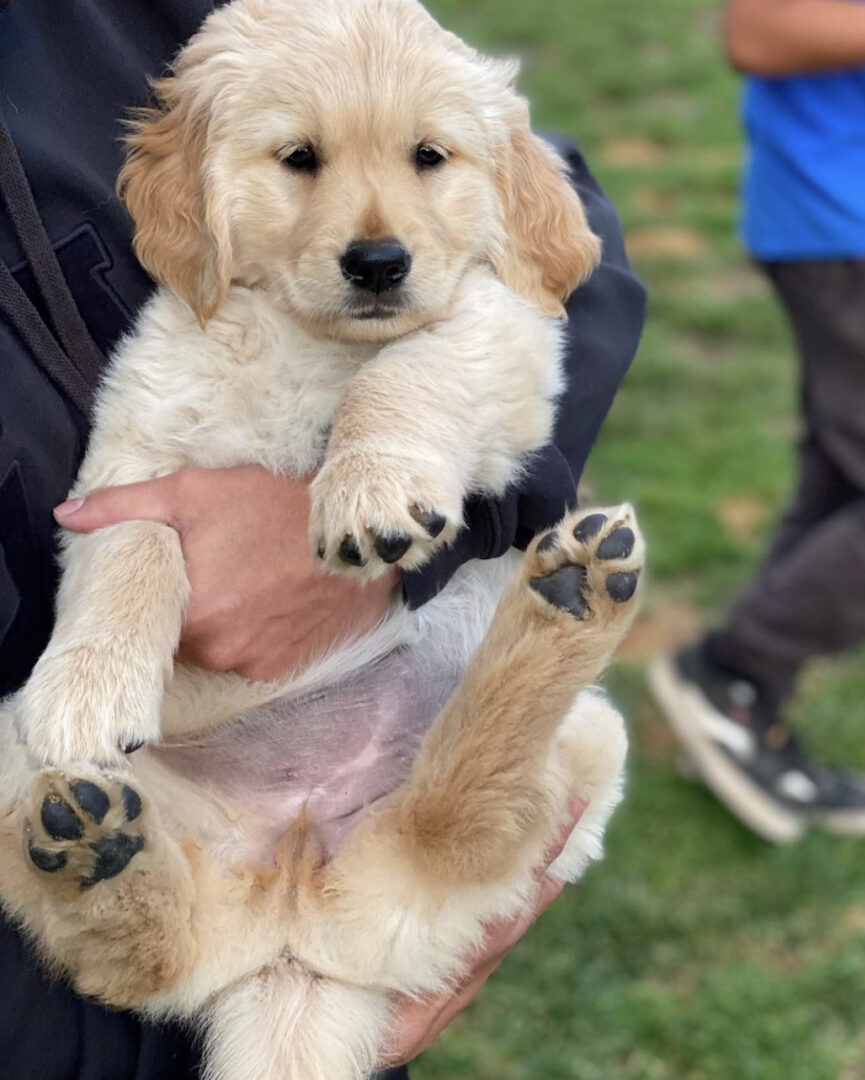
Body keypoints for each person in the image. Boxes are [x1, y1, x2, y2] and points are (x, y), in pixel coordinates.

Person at [0, 0, 646, 1076]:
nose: (371, 235)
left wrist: (374, 497)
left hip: (392, 786)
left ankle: (508, 702)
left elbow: (537, 302)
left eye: (424, 159)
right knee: (44, 780)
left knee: (468, 808)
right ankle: (128, 898)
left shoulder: (238, 32)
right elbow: (127, 498)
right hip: (164, 838)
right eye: (301, 160)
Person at [650, 0, 865, 844]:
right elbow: (760, 29)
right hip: (852, 205)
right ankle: (730, 670)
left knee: (856, 481)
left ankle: (743, 711)